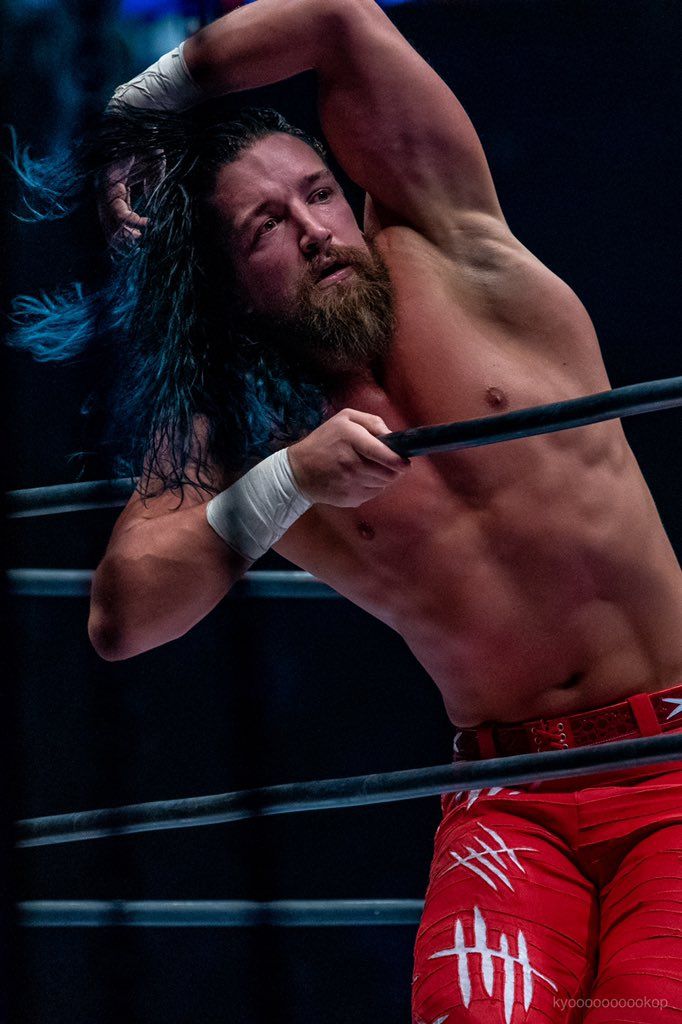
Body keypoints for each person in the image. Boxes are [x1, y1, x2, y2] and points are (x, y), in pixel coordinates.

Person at [12, 1, 682, 1020]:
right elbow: (123, 615)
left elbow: (336, 17)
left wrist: (133, 114)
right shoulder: (245, 428)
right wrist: (289, 486)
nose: (317, 230)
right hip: (509, 798)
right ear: (230, 283)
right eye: (265, 228)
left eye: (318, 193)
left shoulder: (451, 247)